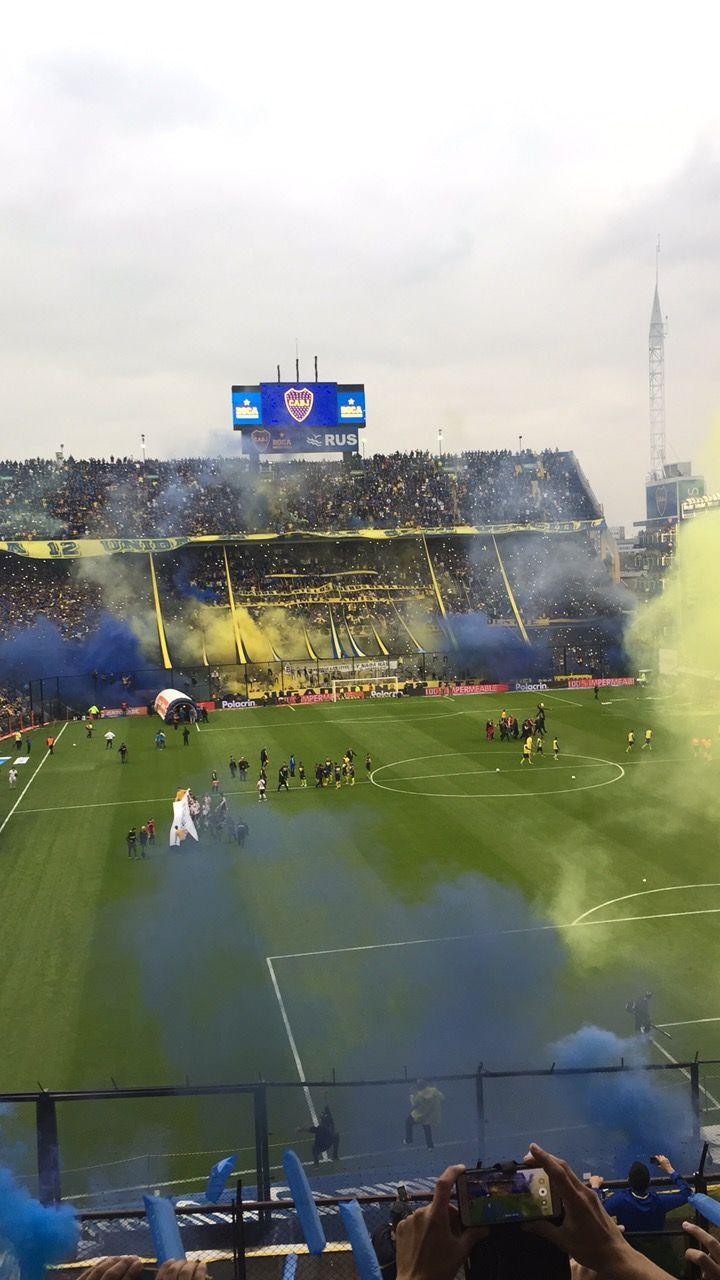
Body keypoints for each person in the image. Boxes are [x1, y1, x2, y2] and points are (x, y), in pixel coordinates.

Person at [589, 1154, 691, 1231]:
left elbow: (595, 1211)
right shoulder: (660, 1201)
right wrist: (670, 1169)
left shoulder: (620, 1201)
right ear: (649, 1182)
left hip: (630, 1252)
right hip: (656, 1249)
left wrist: (595, 1187)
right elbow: (687, 1193)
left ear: (629, 1181)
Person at [404, 1079, 444, 1149]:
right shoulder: (433, 1091)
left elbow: (414, 1104)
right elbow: (442, 1098)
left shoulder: (418, 1096)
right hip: (429, 1115)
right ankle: (430, 1146)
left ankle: (409, 1140)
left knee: (408, 1122)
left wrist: (411, 1095)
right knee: (427, 1128)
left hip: (419, 1116)